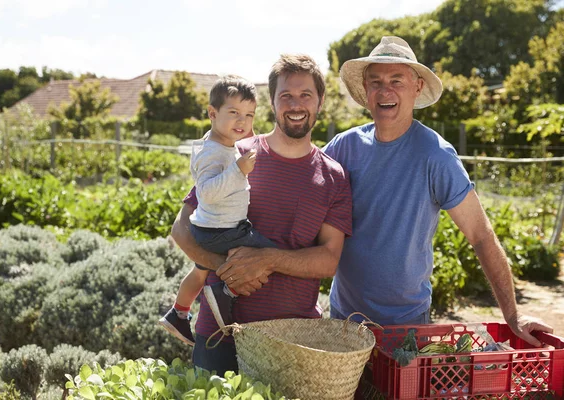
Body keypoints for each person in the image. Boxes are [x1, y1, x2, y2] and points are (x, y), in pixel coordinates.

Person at [324, 36, 553, 346]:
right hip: (343, 318)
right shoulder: (343, 148)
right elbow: (301, 193)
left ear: (418, 87)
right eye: (375, 81)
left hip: (405, 325)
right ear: (365, 89)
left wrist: (513, 315)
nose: (384, 90)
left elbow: (481, 235)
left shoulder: (435, 155)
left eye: (396, 80)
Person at [170, 54, 352, 373]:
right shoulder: (235, 153)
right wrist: (227, 266)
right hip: (221, 336)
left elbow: (329, 259)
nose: (296, 104)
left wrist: (267, 259)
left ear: (320, 101)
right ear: (272, 101)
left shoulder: (333, 176)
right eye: (286, 96)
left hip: (294, 340)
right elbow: (181, 229)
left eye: (305, 95)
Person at [159, 75, 277, 346]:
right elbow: (207, 193)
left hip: (210, 228)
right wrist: (238, 171)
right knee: (269, 254)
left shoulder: (218, 143)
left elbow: (236, 134)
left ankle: (178, 313)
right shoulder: (214, 153)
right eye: (234, 113)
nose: (243, 122)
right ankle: (225, 291)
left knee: (199, 271)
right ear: (212, 113)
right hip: (223, 230)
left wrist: (245, 135)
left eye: (249, 115)